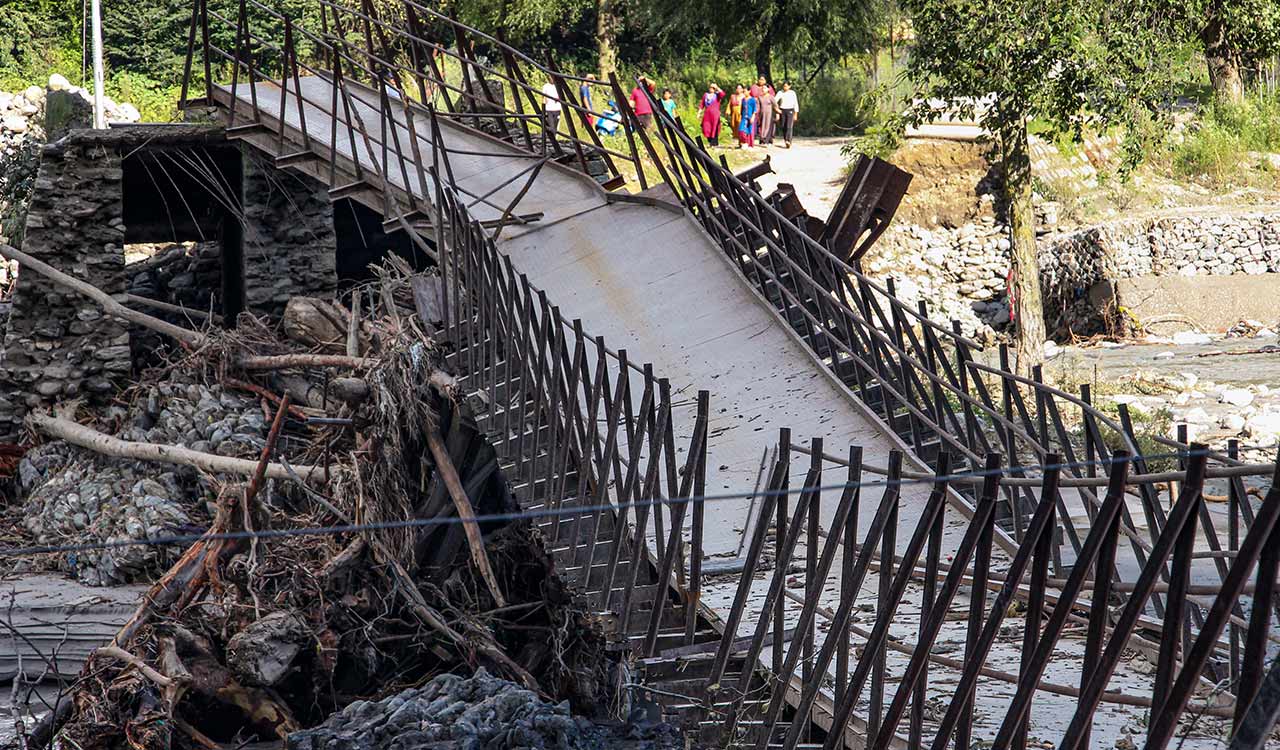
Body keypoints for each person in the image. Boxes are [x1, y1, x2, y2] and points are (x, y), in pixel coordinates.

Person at [775, 81, 798, 148]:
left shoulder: (792, 93)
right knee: (783, 126)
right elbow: (774, 101)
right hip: (782, 110)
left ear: (789, 86)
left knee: (789, 126)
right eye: (784, 86)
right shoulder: (780, 92)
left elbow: (795, 103)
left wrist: (796, 113)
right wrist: (777, 110)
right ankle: (786, 140)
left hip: (790, 110)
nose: (785, 87)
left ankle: (789, 140)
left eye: (786, 86)